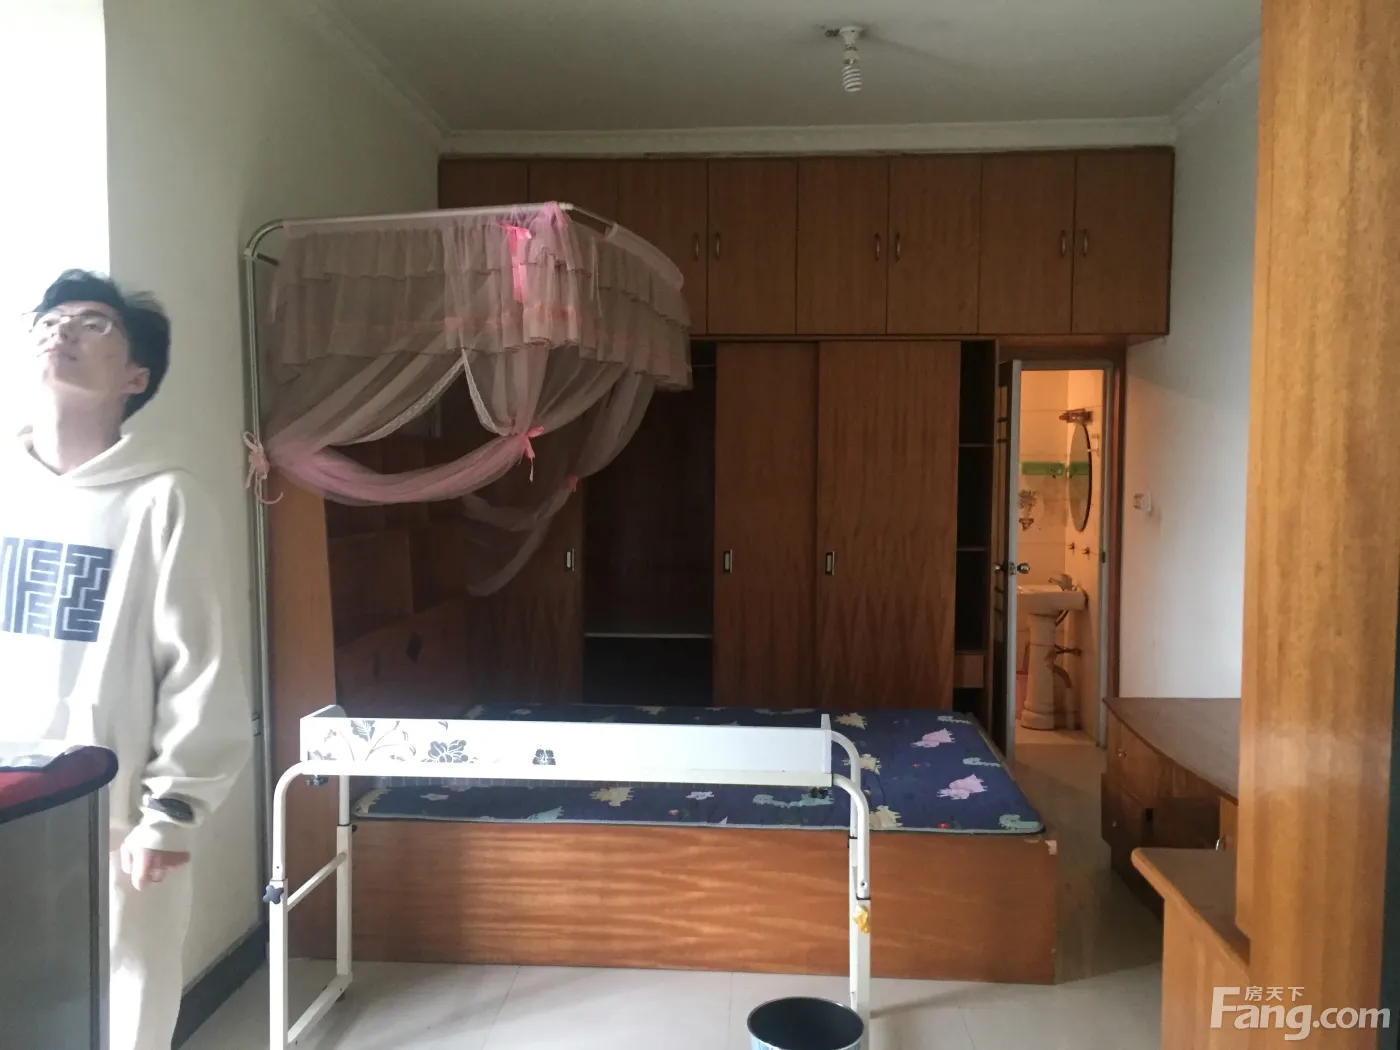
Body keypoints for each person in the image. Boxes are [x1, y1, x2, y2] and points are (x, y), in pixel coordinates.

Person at [0, 270, 251, 1050]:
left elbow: (201, 666)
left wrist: (173, 809)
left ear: (134, 377)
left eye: (93, 323)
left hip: (111, 810)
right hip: (8, 790)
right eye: (50, 319)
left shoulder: (164, 499)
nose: (62, 330)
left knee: (124, 996)